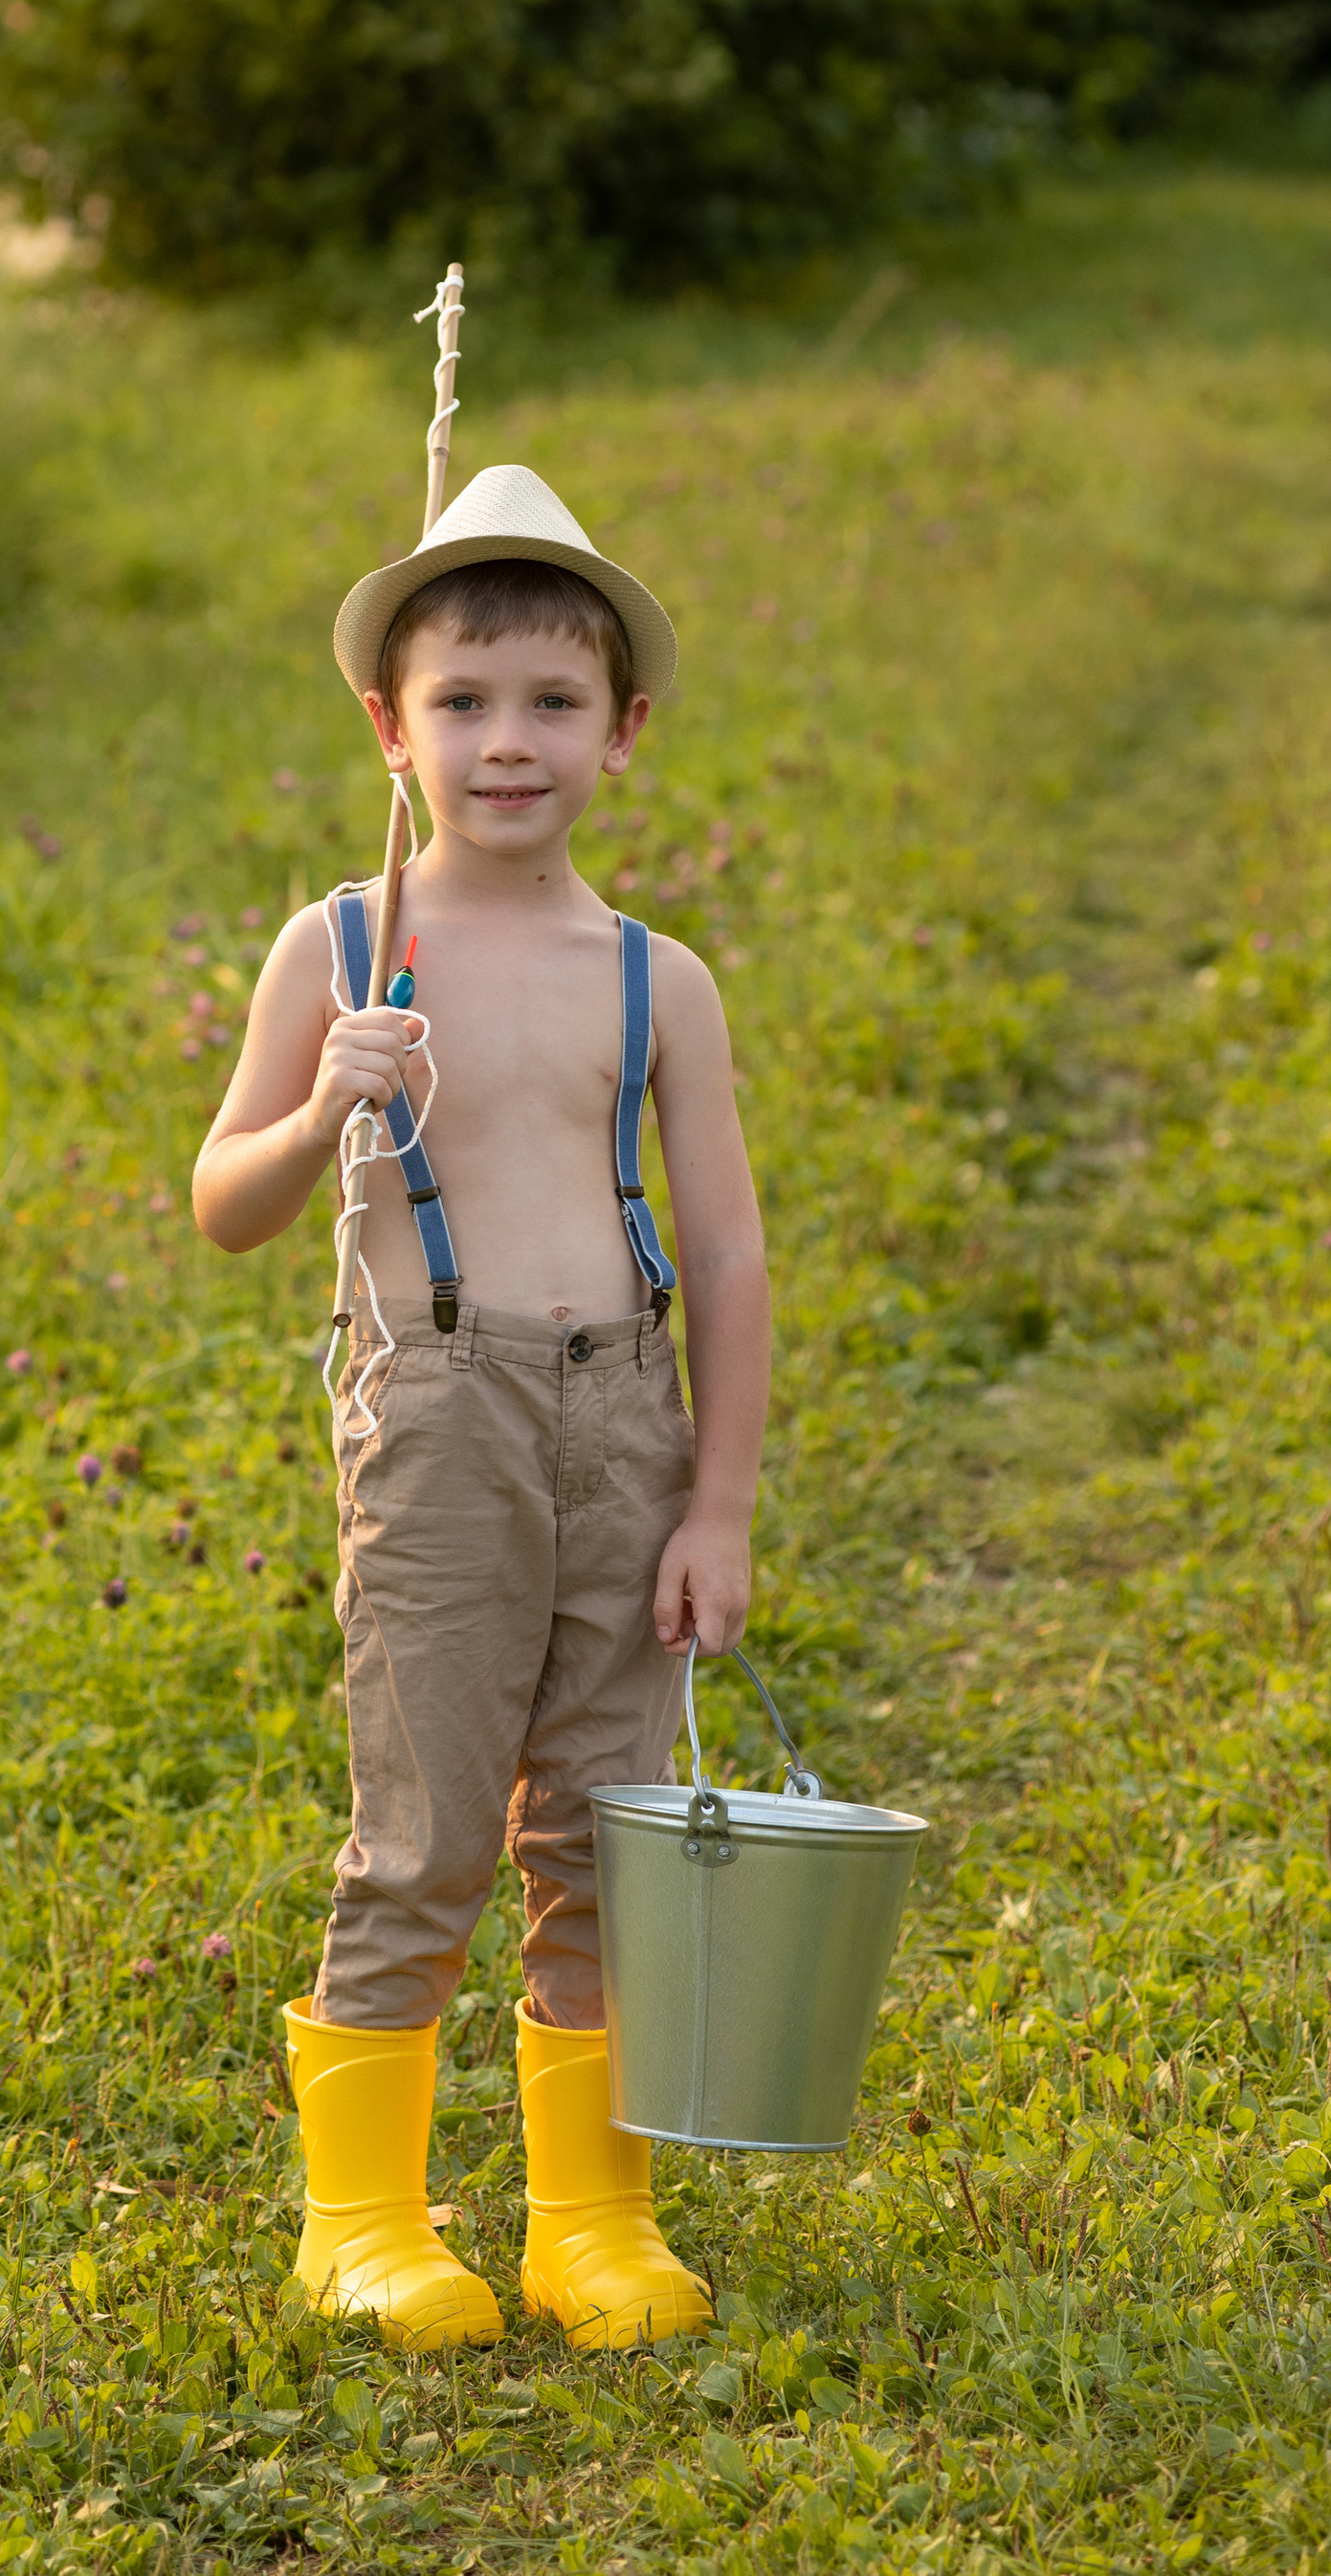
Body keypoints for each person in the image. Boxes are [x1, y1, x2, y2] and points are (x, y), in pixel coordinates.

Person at [193, 463, 771, 2353]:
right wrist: (321, 1101)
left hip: (625, 1418)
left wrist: (716, 1509)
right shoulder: (340, 948)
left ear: (623, 734)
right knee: (427, 1818)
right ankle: (355, 2217)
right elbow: (225, 1209)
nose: (504, 741)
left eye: (549, 703)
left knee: (600, 1823)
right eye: (460, 701)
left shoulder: (653, 979)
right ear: (387, 727)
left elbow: (731, 1260)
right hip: (436, 1417)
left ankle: (586, 2217)